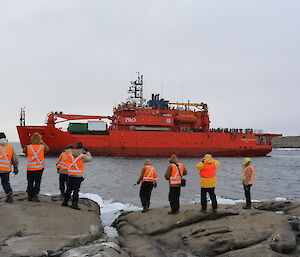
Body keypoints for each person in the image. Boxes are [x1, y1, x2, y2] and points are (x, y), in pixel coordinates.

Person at [62, 142, 92, 210]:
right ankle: (74, 204)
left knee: (68, 189)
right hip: (78, 176)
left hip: (70, 175)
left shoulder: (69, 154)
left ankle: (65, 202)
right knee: (76, 191)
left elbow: (65, 161)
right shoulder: (82, 156)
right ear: (82, 149)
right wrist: (87, 152)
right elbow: (90, 159)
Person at [23, 132, 49, 202]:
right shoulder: (42, 147)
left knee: (30, 182)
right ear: (40, 139)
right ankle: (35, 196)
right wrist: (42, 142)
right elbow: (47, 150)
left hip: (30, 168)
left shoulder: (28, 147)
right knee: (37, 182)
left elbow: (24, 151)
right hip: (39, 168)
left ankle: (29, 196)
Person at [0, 132, 19, 203]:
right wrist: (16, 167)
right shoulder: (10, 147)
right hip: (6, 169)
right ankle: (9, 195)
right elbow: (14, 159)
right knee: (6, 183)